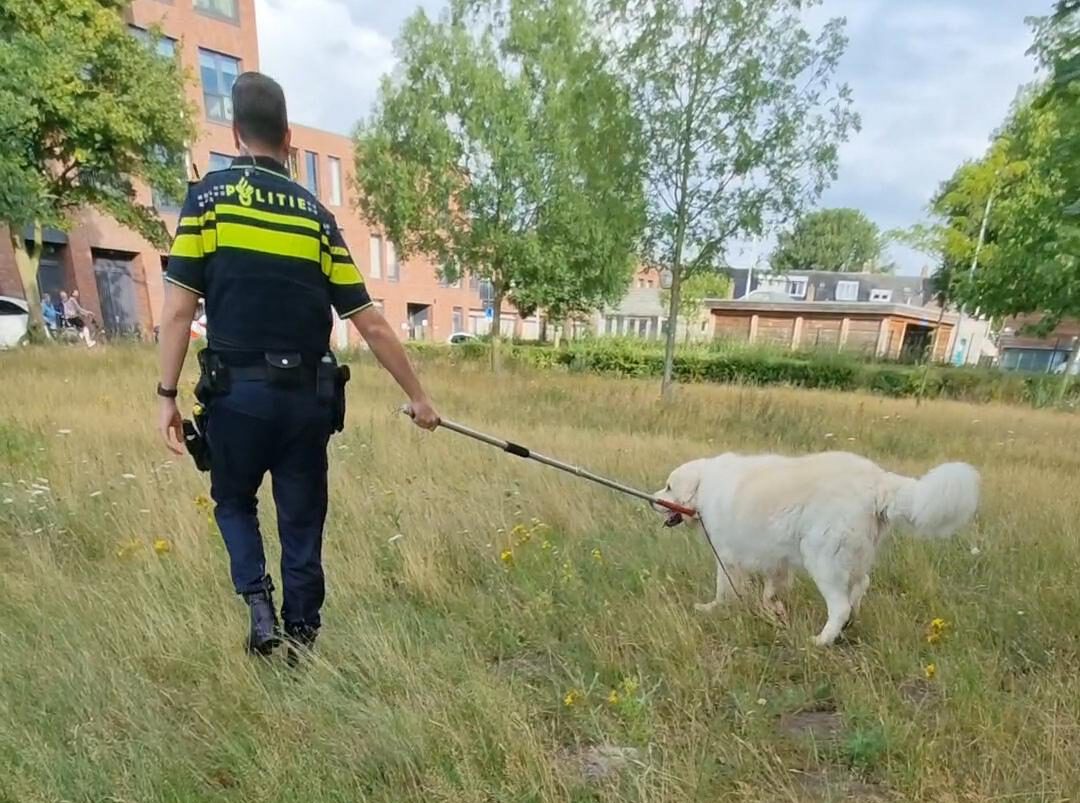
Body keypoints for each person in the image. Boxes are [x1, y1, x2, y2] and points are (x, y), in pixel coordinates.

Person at [155, 71, 440, 662]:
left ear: (235, 132)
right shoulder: (315, 216)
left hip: (236, 398)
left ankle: (259, 604)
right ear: (288, 138)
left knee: (234, 501)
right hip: (307, 400)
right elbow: (370, 320)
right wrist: (418, 396)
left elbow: (179, 311)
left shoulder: (206, 199)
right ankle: (303, 641)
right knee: (302, 522)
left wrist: (165, 395)